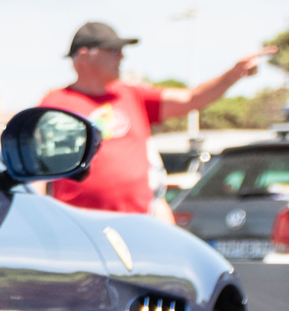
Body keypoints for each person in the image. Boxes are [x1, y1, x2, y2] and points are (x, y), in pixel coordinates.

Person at [40, 22, 272, 215]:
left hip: (138, 223)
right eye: (113, 51)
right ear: (83, 56)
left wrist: (233, 74)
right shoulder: (57, 103)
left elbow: (191, 98)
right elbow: (35, 169)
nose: (122, 56)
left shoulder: (131, 94)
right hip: (80, 226)